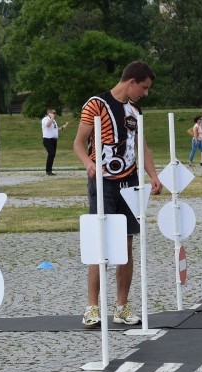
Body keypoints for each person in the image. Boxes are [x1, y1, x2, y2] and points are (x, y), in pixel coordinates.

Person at [73, 60, 164, 327]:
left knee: (126, 244)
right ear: (132, 82)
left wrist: (153, 174)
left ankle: (122, 306)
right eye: (144, 88)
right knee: (100, 243)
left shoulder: (135, 110)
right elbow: (78, 143)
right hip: (102, 182)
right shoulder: (95, 105)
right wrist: (88, 163)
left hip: (128, 182)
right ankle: (92, 307)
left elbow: (141, 145)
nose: (145, 93)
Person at [41, 108, 69, 176]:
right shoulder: (45, 119)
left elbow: (56, 129)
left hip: (54, 140)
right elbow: (47, 125)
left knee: (53, 155)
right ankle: (48, 171)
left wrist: (63, 127)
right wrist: (52, 118)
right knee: (51, 153)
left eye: (55, 113)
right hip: (48, 139)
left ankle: (50, 170)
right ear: (49, 113)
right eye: (53, 113)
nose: (55, 114)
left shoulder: (53, 121)